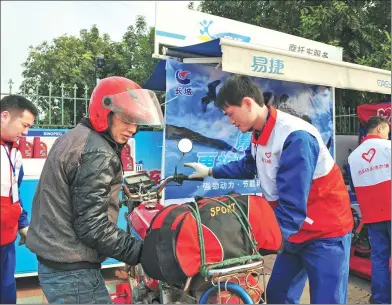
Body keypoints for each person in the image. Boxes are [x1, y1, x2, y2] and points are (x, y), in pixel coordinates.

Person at [185, 75, 353, 304]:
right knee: (277, 296)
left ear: (247, 103)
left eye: (230, 114)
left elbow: (293, 206)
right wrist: (210, 171)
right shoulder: (258, 133)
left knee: (327, 300)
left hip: (324, 232)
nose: (230, 121)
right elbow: (248, 166)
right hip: (294, 231)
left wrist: (254, 244)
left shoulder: (295, 137)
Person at [26, 76, 164, 304]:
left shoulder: (76, 137)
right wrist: (143, 252)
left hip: (59, 265)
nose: (134, 129)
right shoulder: (97, 152)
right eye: (127, 119)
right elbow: (92, 225)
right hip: (73, 273)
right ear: (104, 112)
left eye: (136, 121)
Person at [348, 116, 391, 304]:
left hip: (372, 214)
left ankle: (381, 300)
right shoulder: (388, 147)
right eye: (388, 130)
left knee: (379, 258)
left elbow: (354, 188)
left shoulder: (352, 157)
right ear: (380, 128)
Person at [1, 95, 38, 304]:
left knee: (6, 294)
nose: (26, 132)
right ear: (5, 116)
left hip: (6, 243)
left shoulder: (14, 153)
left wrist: (23, 224)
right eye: (24, 125)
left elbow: (15, 195)